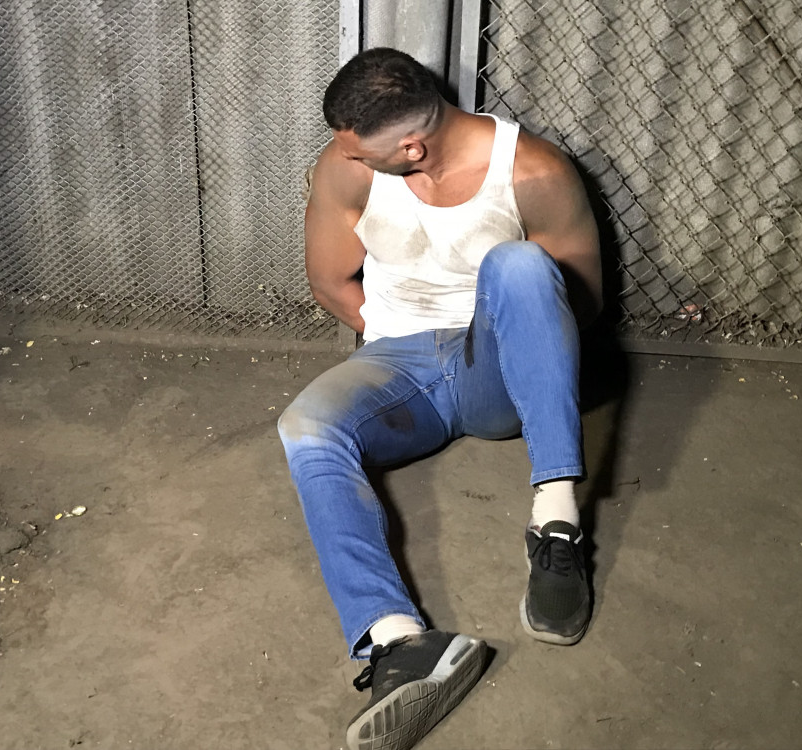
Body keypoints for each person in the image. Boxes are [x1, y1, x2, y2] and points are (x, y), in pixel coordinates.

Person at [278, 47, 602, 750]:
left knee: (520, 266)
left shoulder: (533, 172)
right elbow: (331, 280)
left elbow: (576, 308)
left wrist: (510, 354)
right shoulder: (347, 168)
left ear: (412, 147)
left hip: (496, 370)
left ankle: (557, 524)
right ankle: (398, 641)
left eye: (360, 152)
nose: (344, 159)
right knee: (305, 427)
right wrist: (393, 345)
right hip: (398, 364)